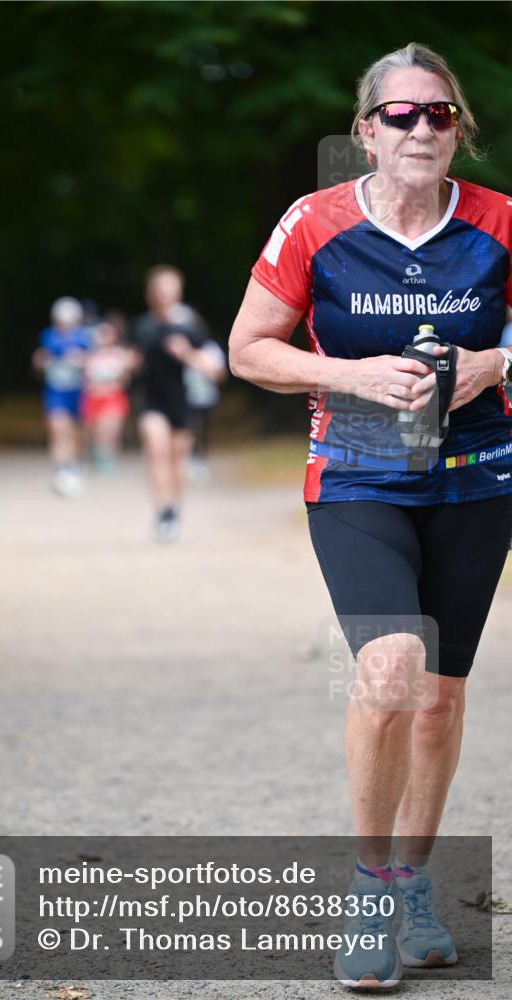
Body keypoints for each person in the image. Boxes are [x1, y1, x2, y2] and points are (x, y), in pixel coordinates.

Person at [229, 42, 512, 990]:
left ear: (458, 129)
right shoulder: (314, 224)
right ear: (365, 131)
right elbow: (247, 350)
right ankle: (364, 893)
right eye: (400, 115)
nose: (420, 129)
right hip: (358, 477)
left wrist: (496, 363)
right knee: (389, 668)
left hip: (477, 479)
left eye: (438, 114)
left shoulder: (500, 224)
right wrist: (345, 373)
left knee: (438, 702)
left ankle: (413, 886)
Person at [131, 265, 222, 542]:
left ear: (178, 292)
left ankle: (175, 508)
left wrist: (186, 354)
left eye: (170, 287)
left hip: (183, 402)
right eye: (160, 287)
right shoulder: (143, 327)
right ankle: (163, 511)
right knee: (156, 449)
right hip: (151, 401)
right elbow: (133, 361)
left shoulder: (190, 326)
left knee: (176, 459)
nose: (164, 293)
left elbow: (215, 369)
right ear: (151, 293)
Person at [32, 297, 92, 498]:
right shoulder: (48, 336)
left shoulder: (85, 337)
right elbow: (40, 360)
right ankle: (61, 469)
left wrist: (81, 360)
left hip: (79, 392)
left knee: (77, 432)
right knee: (58, 429)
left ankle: (75, 463)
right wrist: (42, 362)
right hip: (55, 392)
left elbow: (95, 361)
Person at [82, 317, 134, 475]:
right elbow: (84, 379)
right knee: (95, 431)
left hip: (113, 397)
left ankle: (108, 458)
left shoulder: (121, 355)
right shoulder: (89, 356)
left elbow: (126, 379)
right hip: (93, 398)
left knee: (110, 429)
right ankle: (96, 453)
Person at [184, 336, 227, 485]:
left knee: (202, 430)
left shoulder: (211, 348)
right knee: (188, 429)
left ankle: (199, 460)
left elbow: (220, 374)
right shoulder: (181, 344)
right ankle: (187, 459)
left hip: (206, 396)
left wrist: (201, 365)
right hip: (184, 396)